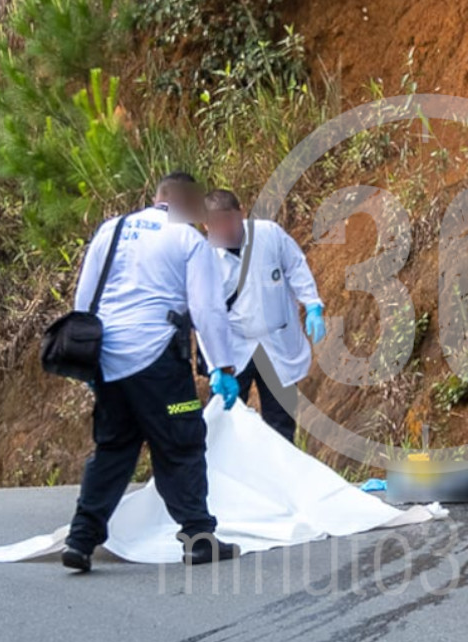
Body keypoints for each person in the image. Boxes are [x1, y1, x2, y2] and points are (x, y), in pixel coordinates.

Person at [61, 172, 243, 572]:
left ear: (157, 197)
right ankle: (198, 538)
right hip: (158, 365)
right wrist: (222, 367)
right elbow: (208, 309)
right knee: (182, 439)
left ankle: (81, 538)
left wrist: (92, 365)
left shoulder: (111, 229)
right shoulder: (187, 239)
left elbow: (84, 299)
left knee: (113, 448)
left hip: (109, 364)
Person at [201, 189, 326, 442]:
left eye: (229, 221)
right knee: (227, 424)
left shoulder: (268, 234)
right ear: (206, 226)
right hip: (234, 348)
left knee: (281, 423)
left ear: (242, 214)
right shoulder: (204, 259)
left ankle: (280, 478)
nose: (226, 230)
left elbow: (296, 265)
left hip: (276, 343)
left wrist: (312, 304)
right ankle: (230, 477)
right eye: (217, 225)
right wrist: (216, 367)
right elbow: (205, 317)